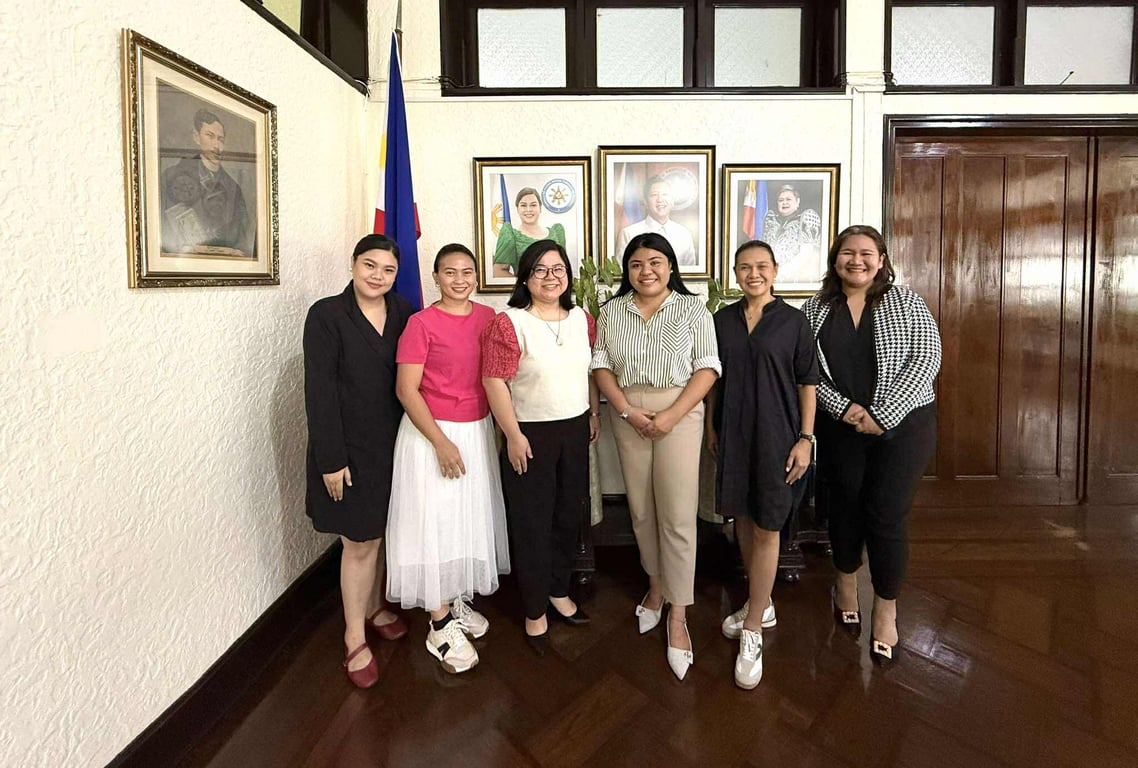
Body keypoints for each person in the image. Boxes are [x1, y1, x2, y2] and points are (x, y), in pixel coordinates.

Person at [801, 225, 940, 665]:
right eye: (847, 253)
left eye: (866, 253)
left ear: (881, 259)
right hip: (840, 428)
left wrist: (882, 414)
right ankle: (844, 584)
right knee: (844, 507)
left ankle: (886, 607)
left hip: (904, 427)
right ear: (834, 260)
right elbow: (806, 371)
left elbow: (927, 357)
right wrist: (844, 409)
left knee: (886, 513)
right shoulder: (814, 309)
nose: (856, 261)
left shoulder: (906, 301)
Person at [591, 232, 720, 681]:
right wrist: (625, 411)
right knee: (642, 510)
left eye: (656, 262)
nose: (646, 271)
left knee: (678, 515)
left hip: (679, 413)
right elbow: (601, 365)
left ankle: (680, 615)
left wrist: (670, 416)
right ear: (627, 271)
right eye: (636, 264)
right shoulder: (611, 311)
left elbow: (707, 368)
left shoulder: (692, 310)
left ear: (670, 267)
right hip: (627, 414)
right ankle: (655, 587)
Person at [385, 243, 511, 674]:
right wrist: (440, 442)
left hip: (475, 431)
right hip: (431, 434)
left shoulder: (489, 319)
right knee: (434, 522)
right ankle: (438, 622)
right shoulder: (420, 324)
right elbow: (406, 390)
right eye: (449, 272)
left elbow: (496, 379)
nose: (459, 280)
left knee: (465, 518)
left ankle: (455, 597)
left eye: (467, 272)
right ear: (435, 278)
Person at [705, 240, 818, 689]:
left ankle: (753, 626)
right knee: (743, 520)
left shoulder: (794, 321)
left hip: (778, 437)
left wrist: (805, 439)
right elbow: (712, 377)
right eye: (744, 267)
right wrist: (712, 427)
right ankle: (761, 601)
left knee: (769, 524)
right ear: (735, 273)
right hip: (733, 434)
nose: (753, 274)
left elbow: (807, 382)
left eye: (761, 267)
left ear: (774, 271)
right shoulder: (722, 321)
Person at [303, 234, 412, 689]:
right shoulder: (327, 315)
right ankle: (353, 636)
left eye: (387, 270)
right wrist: (331, 458)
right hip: (348, 451)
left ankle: (373, 606)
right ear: (352, 264)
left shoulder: (405, 313)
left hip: (398, 444)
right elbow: (320, 391)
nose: (377, 276)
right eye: (370, 265)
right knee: (359, 541)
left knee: (383, 531)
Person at [481, 240, 600, 656]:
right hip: (528, 433)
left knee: (568, 516)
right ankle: (534, 610)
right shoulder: (509, 322)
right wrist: (512, 434)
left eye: (558, 269)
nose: (552, 277)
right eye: (541, 270)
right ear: (526, 278)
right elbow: (494, 381)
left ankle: (558, 591)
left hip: (573, 430)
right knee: (532, 522)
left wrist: (593, 413)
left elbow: (588, 370)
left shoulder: (583, 319)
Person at [161, 107, 251, 256]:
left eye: (220, 139)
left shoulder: (233, 188)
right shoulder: (171, 177)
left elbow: (242, 239)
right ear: (197, 137)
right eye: (210, 136)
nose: (216, 145)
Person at [615, 175, 697, 267]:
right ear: (645, 201)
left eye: (665, 194)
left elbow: (691, 273)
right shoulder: (629, 234)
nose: (660, 200)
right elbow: (620, 273)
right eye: (654, 195)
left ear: (673, 200)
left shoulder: (684, 234)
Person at [493, 187, 567, 278]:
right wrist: (526, 285)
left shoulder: (557, 232)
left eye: (533, 205)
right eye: (523, 205)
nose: (528, 209)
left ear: (540, 208)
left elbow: (563, 269)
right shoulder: (510, 235)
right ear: (517, 209)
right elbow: (498, 271)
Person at [761, 185, 821, 269]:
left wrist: (782, 274)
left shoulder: (807, 218)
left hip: (796, 274)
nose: (784, 203)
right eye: (781, 200)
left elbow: (806, 255)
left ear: (797, 201)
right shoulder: (771, 220)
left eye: (788, 199)